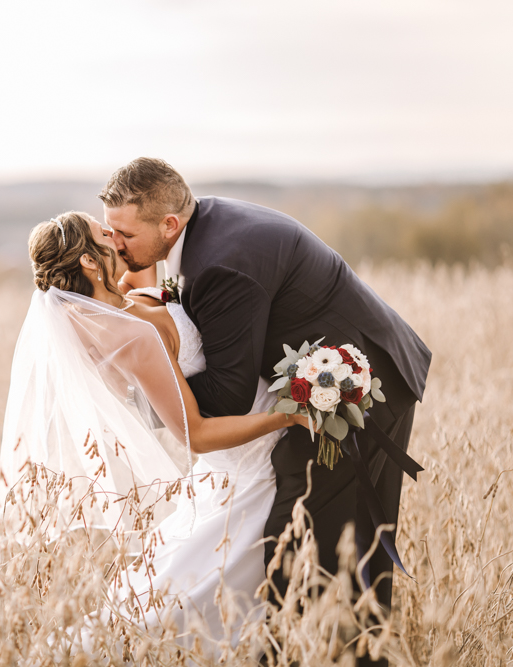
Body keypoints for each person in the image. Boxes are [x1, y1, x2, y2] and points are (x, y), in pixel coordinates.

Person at [100, 158, 431, 666]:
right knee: (340, 538)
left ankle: (317, 654)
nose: (115, 243)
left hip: (350, 390)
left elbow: (227, 395)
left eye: (124, 233)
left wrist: (151, 390)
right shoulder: (202, 229)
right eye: (109, 231)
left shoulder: (218, 264)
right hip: (338, 378)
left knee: (307, 539)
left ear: (168, 224)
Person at [0, 211, 309, 657]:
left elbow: (144, 256)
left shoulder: (121, 296)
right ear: (89, 262)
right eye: (104, 233)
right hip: (245, 452)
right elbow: (196, 435)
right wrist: (288, 416)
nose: (116, 238)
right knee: (186, 602)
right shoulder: (129, 334)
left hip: (242, 435)